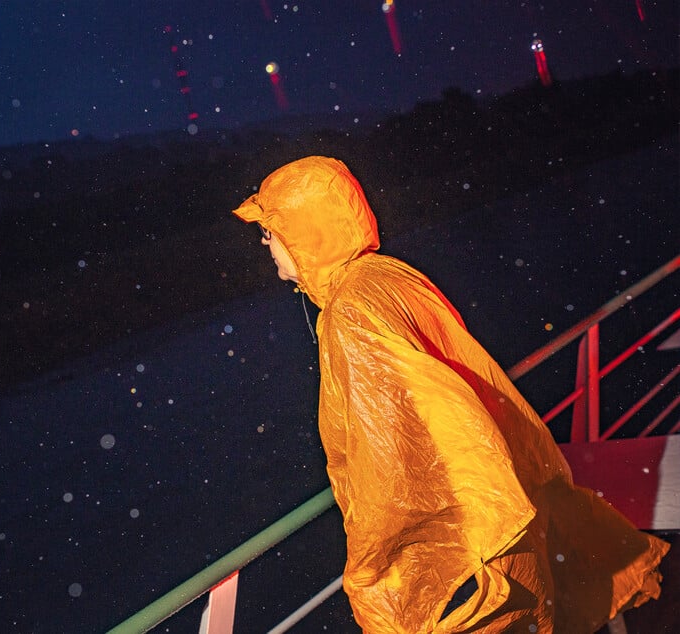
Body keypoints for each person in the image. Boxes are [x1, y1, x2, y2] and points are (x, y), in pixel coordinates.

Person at [232, 156, 668, 633]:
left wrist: (381, 570)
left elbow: (394, 457)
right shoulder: (387, 276)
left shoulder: (349, 314)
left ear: (306, 234)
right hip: (509, 497)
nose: (264, 242)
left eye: (272, 231)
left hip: (470, 535)